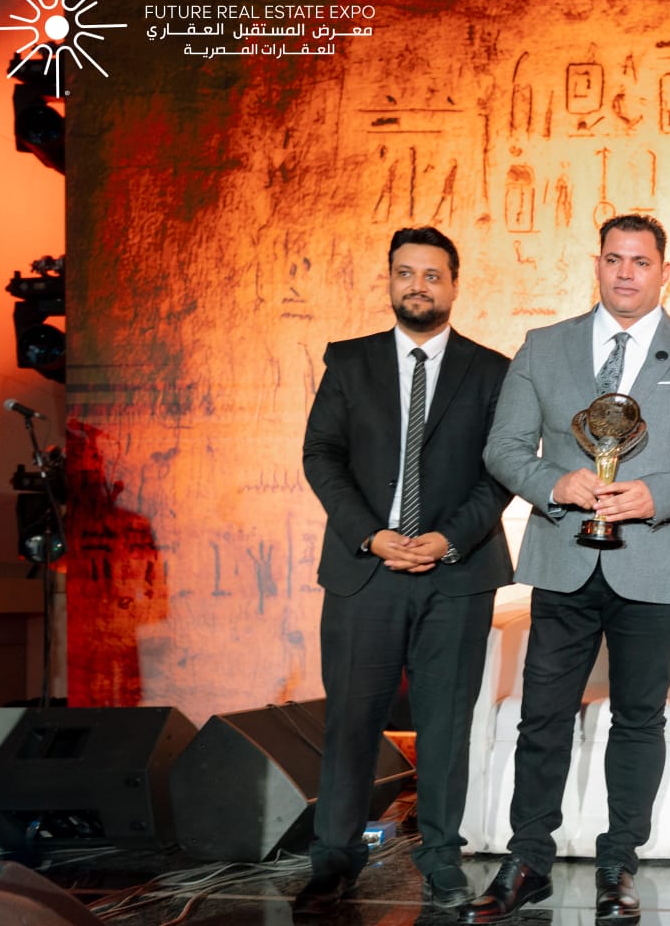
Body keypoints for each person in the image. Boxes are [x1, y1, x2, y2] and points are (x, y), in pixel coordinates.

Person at [468, 213, 670, 923]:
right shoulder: (543, 347)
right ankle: (527, 860)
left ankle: (618, 862)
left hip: (658, 563)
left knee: (638, 718)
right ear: (597, 264)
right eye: (615, 259)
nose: (627, 273)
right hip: (563, 559)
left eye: (641, 262)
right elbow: (503, 448)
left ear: (665, 272)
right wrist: (553, 484)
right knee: (542, 716)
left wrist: (660, 494)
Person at [299, 226, 513, 916]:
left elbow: (502, 469)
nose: (417, 286)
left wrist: (448, 538)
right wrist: (371, 536)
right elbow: (321, 455)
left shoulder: (493, 371)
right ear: (389, 280)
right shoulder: (349, 361)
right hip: (366, 571)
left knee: (447, 728)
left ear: (454, 285)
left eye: (431, 275)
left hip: (456, 574)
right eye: (405, 273)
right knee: (350, 723)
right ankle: (333, 861)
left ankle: (443, 864)